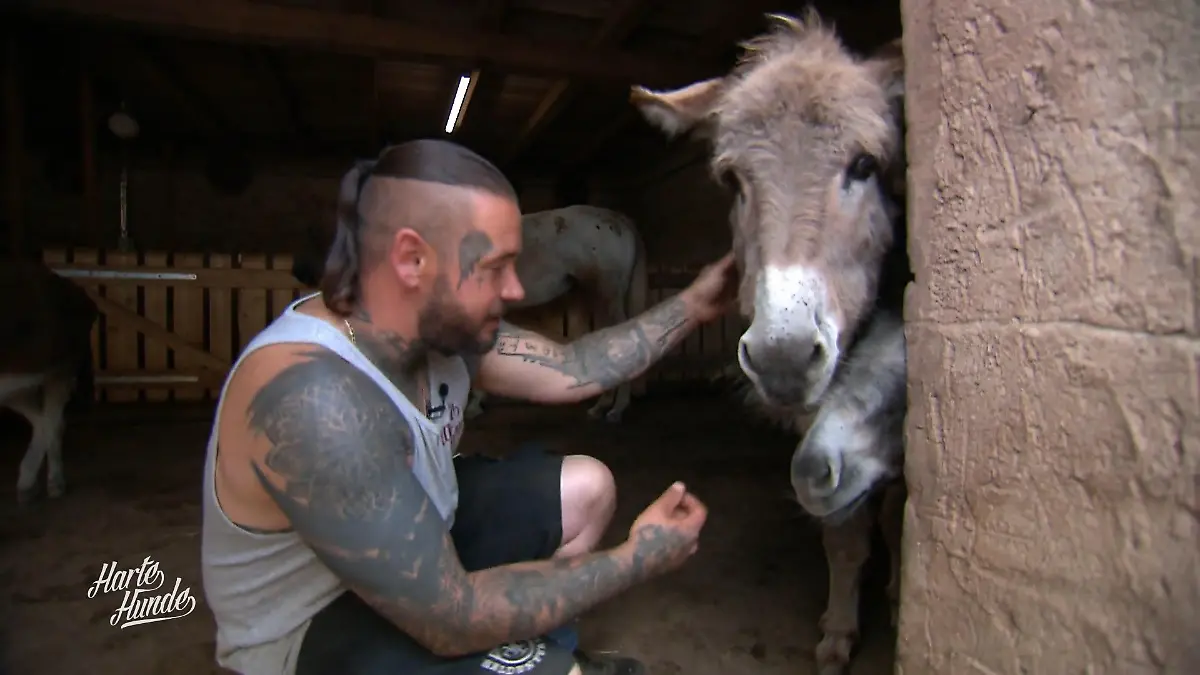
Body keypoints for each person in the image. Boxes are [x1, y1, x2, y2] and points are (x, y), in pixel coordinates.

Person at [200, 138, 739, 675]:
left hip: (409, 559)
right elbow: (452, 620)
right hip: (311, 629)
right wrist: (637, 558)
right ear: (412, 260)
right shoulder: (316, 397)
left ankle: (534, 655)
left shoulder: (434, 327)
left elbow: (575, 368)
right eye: (496, 266)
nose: (516, 287)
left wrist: (695, 305)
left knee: (586, 488)